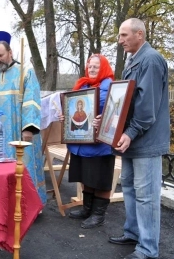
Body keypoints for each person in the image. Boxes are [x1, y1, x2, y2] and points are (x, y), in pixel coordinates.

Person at [103, 18, 170, 259]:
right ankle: (133, 233)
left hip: (145, 141)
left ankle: (147, 249)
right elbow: (126, 102)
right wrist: (108, 120)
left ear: (139, 34)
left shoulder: (150, 60)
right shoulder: (134, 60)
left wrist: (128, 132)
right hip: (133, 139)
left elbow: (147, 109)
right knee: (130, 188)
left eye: (123, 35)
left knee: (147, 196)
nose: (119, 40)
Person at [0, 31, 47, 205]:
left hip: (19, 133)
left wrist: (28, 128)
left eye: (0, 55)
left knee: (23, 168)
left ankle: (28, 206)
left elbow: (32, 101)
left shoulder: (25, 72)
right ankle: (0, 204)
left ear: (10, 52)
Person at [60, 54, 115, 229]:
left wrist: (104, 118)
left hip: (100, 144)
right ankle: (87, 209)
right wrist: (66, 116)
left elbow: (117, 113)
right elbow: (75, 110)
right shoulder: (82, 85)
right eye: (89, 66)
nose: (91, 69)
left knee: (100, 178)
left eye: (96, 67)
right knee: (86, 176)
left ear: (104, 68)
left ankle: (98, 215)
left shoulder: (111, 88)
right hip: (80, 141)